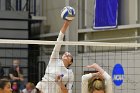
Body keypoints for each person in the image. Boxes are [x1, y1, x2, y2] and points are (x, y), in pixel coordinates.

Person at [36, 7, 75, 93]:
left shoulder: (70, 73)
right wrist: (66, 24)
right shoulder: (54, 59)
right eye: (65, 53)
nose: (66, 54)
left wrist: (60, 83)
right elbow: (59, 40)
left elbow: (68, 92)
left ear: (71, 62)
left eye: (69, 55)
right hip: (41, 90)